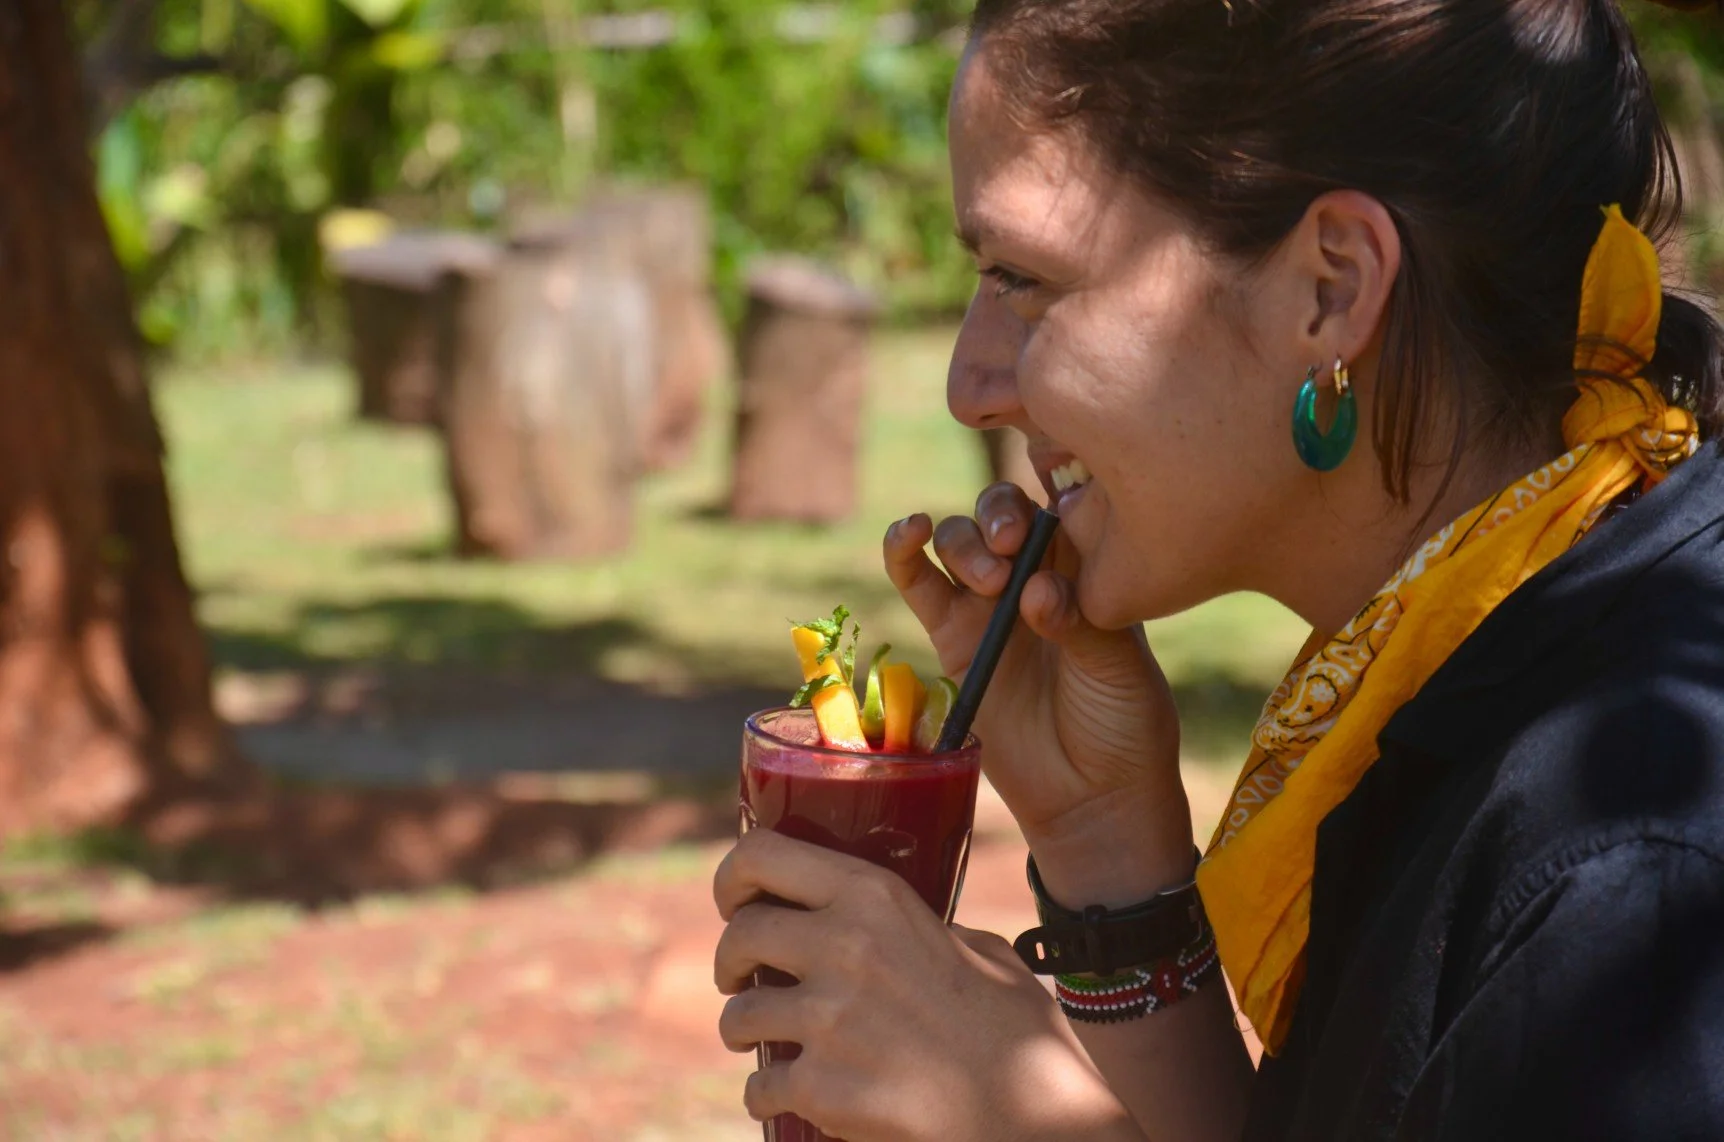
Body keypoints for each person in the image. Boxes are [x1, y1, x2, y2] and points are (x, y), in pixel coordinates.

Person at [711, 1, 1724, 1138]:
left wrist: (1024, 1120)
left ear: (1329, 287)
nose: (969, 384)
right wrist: (1105, 851)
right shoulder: (1460, 673)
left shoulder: (1636, 858)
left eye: (1020, 277)